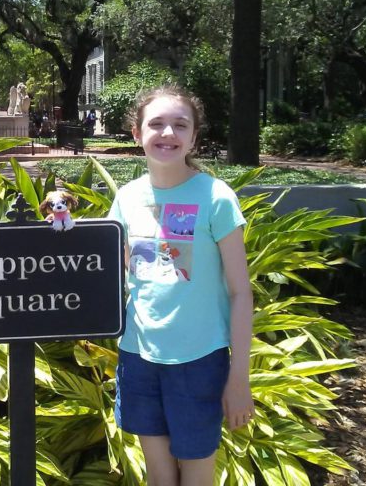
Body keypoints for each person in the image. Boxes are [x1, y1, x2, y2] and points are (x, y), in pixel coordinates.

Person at [106, 85, 254, 486]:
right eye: (156, 124)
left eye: (179, 125)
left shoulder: (216, 198)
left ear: (194, 137)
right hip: (138, 356)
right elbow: (115, 270)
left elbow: (241, 293)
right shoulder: (126, 197)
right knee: (158, 473)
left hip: (199, 361)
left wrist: (238, 379)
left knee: (196, 474)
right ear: (137, 134)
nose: (167, 133)